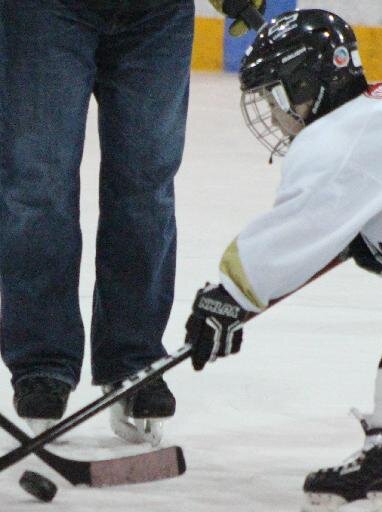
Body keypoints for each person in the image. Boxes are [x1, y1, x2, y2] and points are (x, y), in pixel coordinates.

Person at [183, 9, 382, 510]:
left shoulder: (336, 133)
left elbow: (300, 226)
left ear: (302, 83)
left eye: (275, 97)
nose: (274, 116)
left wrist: (229, 294)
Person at [0, 0, 259, 445]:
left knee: (146, 188)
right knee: (36, 186)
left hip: (156, 16)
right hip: (43, 12)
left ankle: (134, 358)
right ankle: (41, 364)